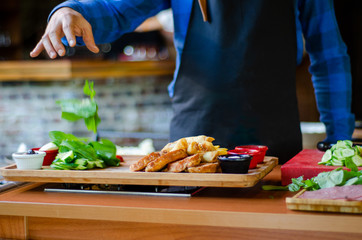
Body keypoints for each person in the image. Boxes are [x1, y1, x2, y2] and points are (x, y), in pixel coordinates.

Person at [30, 0, 355, 164]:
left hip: (275, 150)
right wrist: (70, 10)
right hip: (191, 151)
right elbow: (115, 11)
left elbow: (329, 56)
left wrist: (339, 140)